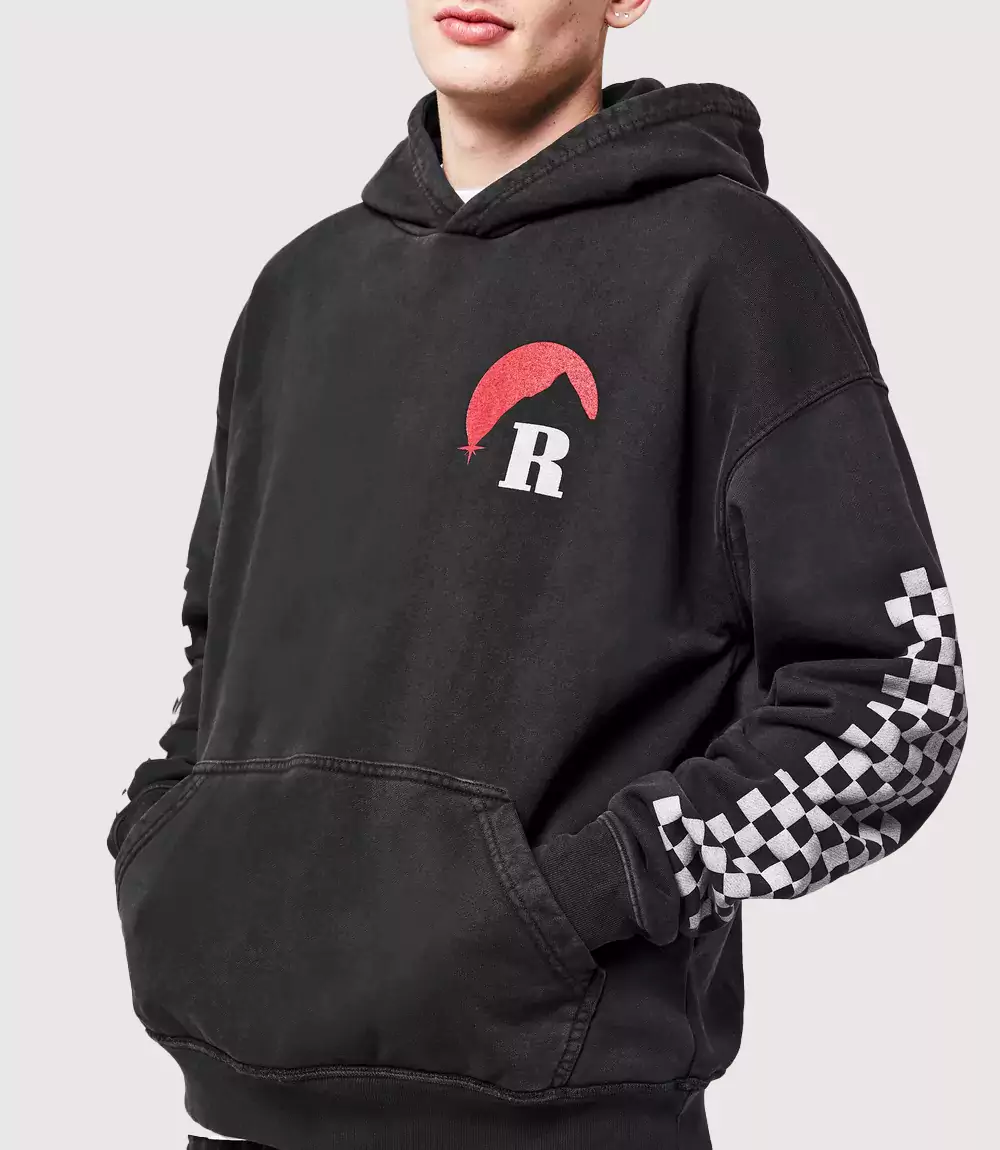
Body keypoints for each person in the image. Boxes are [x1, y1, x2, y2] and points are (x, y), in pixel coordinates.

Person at [107, 3, 968, 1148]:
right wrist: (169, 839)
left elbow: (899, 698)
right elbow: (220, 644)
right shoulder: (298, 291)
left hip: (560, 1113)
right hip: (240, 1108)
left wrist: (606, 884)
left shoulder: (735, 271)